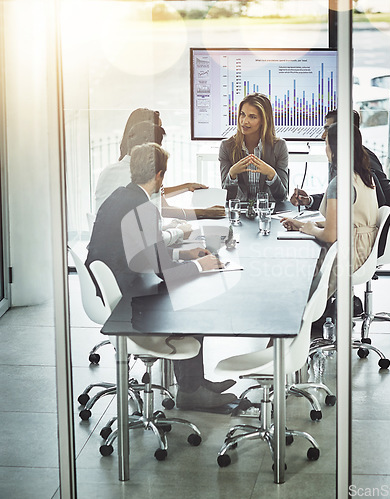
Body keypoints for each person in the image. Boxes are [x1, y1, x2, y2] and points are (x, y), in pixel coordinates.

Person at [86, 142, 237, 410]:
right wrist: (202, 265)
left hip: (114, 287)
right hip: (128, 298)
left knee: (187, 290)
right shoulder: (144, 208)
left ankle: (195, 382)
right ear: (159, 176)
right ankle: (191, 391)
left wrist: (184, 256)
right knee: (193, 299)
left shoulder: (120, 197)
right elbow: (164, 274)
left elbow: (146, 256)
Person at [282, 123, 379, 298]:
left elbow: (330, 235)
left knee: (296, 273)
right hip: (364, 249)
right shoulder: (363, 176)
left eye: (326, 143)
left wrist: (310, 229)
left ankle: (311, 321)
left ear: (334, 148)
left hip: (349, 253)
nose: (324, 148)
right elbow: (344, 222)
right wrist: (301, 224)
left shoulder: (340, 183)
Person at [95, 107, 225, 219]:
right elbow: (164, 210)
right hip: (131, 244)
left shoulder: (108, 171)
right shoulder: (143, 175)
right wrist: (206, 212)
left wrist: (186, 187)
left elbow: (150, 196)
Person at [219, 92, 289, 202]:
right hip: (240, 211)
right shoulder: (226, 146)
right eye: (242, 114)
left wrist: (271, 174)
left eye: (252, 117)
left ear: (263, 121)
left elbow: (282, 197)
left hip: (268, 212)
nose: (244, 121)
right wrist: (232, 174)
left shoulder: (279, 146)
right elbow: (227, 197)